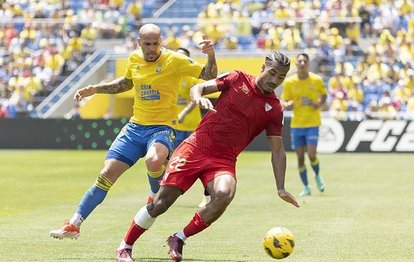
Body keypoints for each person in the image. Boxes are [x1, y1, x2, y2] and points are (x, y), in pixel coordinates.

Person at [115, 51, 300, 262]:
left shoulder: (274, 108)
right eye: (272, 73)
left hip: (223, 160)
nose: (275, 80)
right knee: (161, 204)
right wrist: (198, 97)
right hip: (195, 148)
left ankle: (178, 238)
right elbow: (199, 87)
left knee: (225, 194)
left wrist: (281, 187)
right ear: (263, 67)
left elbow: (277, 149)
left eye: (281, 77)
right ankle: (125, 246)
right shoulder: (237, 78)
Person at [49, 23, 217, 240]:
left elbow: (208, 74)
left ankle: (154, 193)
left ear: (161, 42)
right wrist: (96, 89)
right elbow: (126, 83)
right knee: (106, 173)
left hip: (161, 128)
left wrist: (211, 55)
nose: (151, 48)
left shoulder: (174, 60)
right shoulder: (134, 59)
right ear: (139, 43)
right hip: (135, 127)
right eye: (147, 44)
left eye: (156, 44)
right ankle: (74, 224)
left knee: (154, 160)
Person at [281, 53, 327, 197]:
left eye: (304, 61)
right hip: (297, 124)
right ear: (296, 64)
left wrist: (318, 104)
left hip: (313, 122)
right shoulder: (289, 82)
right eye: (299, 61)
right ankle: (306, 187)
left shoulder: (316, 80)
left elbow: (324, 95)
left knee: (312, 155)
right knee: (300, 158)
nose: (302, 63)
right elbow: (284, 101)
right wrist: (288, 104)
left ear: (308, 64)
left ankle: (318, 176)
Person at [174, 47, 211, 208]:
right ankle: (161, 195)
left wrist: (182, 113)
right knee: (168, 160)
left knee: (201, 162)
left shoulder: (192, 78)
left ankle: (207, 196)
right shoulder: (169, 76)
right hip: (172, 126)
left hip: (192, 125)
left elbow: (194, 98)